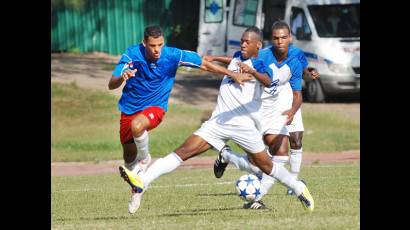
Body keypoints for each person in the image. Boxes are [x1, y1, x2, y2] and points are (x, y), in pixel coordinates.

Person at [118, 26, 314, 214]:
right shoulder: (238, 57)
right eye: (242, 41)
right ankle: (142, 182)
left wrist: (251, 72)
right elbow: (228, 59)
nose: (243, 45)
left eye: (247, 42)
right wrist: (218, 61)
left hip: (243, 124)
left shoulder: (261, 64)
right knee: (182, 152)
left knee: (265, 166)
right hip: (218, 122)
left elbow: (268, 80)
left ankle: (298, 189)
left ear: (258, 46)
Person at [109, 25, 253, 213]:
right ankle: (137, 190)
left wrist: (232, 74)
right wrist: (122, 76)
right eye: (152, 45)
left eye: (160, 44)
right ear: (144, 43)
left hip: (156, 107)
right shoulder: (132, 54)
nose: (157, 50)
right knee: (129, 160)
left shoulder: (172, 55)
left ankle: (145, 159)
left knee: (138, 127)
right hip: (128, 109)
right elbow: (112, 84)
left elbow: (203, 64)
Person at [213, 20, 314, 209]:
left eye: (284, 37)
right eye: (275, 38)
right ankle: (227, 156)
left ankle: (257, 197)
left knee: (282, 152)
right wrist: (214, 58)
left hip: (277, 111)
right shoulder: (261, 54)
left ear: (290, 38)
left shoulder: (294, 61)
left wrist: (292, 111)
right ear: (270, 40)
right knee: (256, 164)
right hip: (254, 112)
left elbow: (297, 93)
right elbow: (235, 60)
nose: (280, 41)